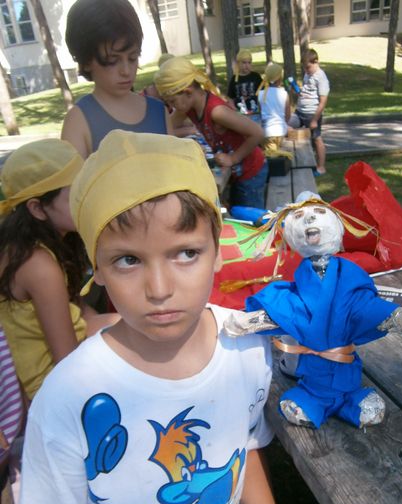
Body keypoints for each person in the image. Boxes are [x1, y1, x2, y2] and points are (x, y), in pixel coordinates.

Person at [14, 130, 317, 504]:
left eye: (186, 253)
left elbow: (242, 447)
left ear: (218, 249)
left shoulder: (244, 346)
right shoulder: (69, 395)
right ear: (97, 268)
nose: (159, 289)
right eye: (128, 260)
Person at [0, 139, 118, 402]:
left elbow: (76, 308)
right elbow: (67, 360)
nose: (88, 198)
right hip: (48, 390)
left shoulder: (40, 242)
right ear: (37, 208)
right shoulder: (38, 264)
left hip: (71, 348)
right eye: (77, 193)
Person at [61, 0, 170, 158]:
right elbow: (73, 175)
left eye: (133, 58)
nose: (126, 71)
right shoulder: (78, 122)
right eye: (112, 60)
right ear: (86, 61)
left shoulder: (159, 112)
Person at [155, 57, 268, 209]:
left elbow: (258, 133)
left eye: (172, 101)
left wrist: (233, 158)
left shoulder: (216, 112)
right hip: (236, 172)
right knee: (235, 208)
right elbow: (165, 129)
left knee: (249, 217)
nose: (171, 106)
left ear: (188, 92)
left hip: (251, 171)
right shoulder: (189, 106)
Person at [290, 49, 329, 176]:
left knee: (316, 139)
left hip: (312, 114)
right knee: (287, 126)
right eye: (304, 68)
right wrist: (298, 92)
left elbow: (323, 102)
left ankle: (321, 167)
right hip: (299, 111)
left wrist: (314, 120)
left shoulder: (321, 78)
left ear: (316, 62)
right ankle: (298, 160)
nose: (306, 70)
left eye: (308, 67)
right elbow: (308, 91)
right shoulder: (308, 74)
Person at [257, 63, 291, 157]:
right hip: (281, 132)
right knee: (274, 152)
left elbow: (260, 115)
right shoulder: (284, 94)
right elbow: (288, 116)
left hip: (266, 133)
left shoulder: (260, 94)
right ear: (280, 79)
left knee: (269, 154)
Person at [227, 49, 262, 117]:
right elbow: (230, 98)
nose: (247, 65)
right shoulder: (234, 79)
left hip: (255, 113)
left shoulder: (256, 76)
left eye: (249, 63)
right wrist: (234, 109)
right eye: (244, 63)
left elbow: (263, 93)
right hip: (240, 115)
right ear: (238, 63)